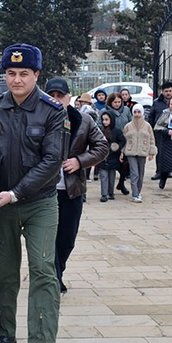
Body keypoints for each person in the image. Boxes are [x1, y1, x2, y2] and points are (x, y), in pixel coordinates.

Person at [0, 43, 68, 343]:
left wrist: (15, 193)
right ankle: (4, 332)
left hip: (39, 202)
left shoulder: (52, 111)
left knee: (43, 269)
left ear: (36, 75)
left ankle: (45, 342)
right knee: (4, 272)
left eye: (24, 74)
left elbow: (51, 161)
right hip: (1, 204)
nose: (17, 80)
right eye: (11, 73)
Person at [44, 77, 107, 294]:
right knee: (46, 237)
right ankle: (54, 278)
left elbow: (101, 147)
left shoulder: (83, 120)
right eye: (51, 95)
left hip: (72, 189)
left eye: (60, 96)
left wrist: (79, 161)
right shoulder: (36, 119)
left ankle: (58, 269)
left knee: (67, 238)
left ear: (69, 98)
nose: (56, 100)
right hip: (44, 191)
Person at [120, 104, 156, 203]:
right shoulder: (128, 126)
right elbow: (124, 140)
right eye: (135, 112)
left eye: (139, 112)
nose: (137, 114)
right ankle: (135, 194)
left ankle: (138, 192)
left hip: (142, 152)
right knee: (134, 173)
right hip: (130, 152)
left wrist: (151, 152)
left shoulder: (147, 126)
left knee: (140, 173)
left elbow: (152, 139)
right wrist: (122, 152)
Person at [101, 92, 132, 195]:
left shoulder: (126, 110)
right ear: (110, 102)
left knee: (125, 166)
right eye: (115, 102)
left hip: (123, 140)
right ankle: (107, 190)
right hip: (110, 142)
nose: (117, 104)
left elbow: (130, 122)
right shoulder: (104, 112)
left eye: (119, 102)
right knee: (112, 167)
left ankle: (121, 183)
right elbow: (98, 125)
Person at [147, 82, 172, 180]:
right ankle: (159, 171)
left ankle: (168, 171)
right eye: (166, 91)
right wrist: (150, 127)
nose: (168, 93)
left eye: (170, 91)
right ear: (162, 92)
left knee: (171, 151)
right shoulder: (156, 102)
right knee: (160, 151)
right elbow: (151, 116)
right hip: (159, 130)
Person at [98, 111, 125, 202]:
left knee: (111, 176)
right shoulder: (100, 131)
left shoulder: (116, 131)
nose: (104, 122)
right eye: (103, 120)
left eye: (107, 119)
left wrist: (117, 147)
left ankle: (111, 192)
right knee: (103, 176)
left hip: (113, 157)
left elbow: (122, 141)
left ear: (111, 120)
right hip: (102, 157)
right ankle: (104, 194)